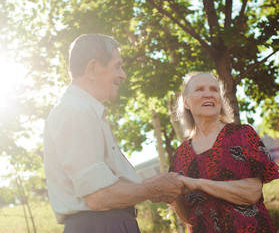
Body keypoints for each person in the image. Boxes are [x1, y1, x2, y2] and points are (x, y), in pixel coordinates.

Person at [43, 33, 183, 233]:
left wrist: (146, 185)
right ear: (92, 69)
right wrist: (153, 189)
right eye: (117, 66)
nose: (123, 75)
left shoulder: (86, 111)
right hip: (101, 225)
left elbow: (104, 187)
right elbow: (99, 196)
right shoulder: (77, 112)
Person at [169, 72, 279, 232]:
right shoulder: (180, 156)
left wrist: (198, 184)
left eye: (214, 90)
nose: (208, 94)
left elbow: (252, 193)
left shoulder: (243, 135)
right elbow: (186, 214)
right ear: (186, 102)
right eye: (199, 89)